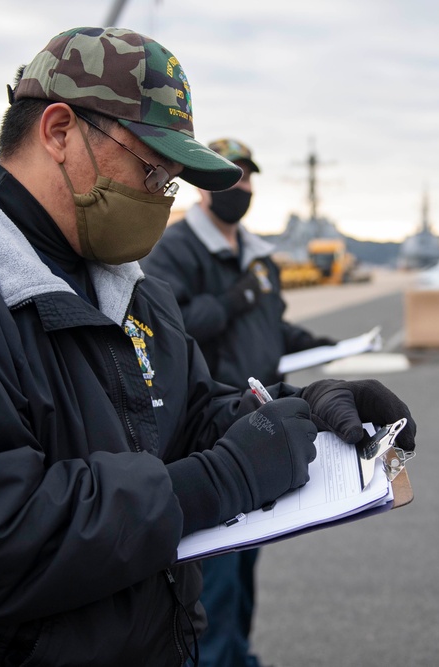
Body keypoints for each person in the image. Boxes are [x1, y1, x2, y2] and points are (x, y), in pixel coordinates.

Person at [0, 27, 416, 667]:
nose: (160, 199)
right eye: (152, 171)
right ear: (60, 131)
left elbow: (188, 415)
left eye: (172, 183)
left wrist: (302, 415)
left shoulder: (129, 287)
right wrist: (226, 478)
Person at [141, 138, 336, 667]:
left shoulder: (259, 255)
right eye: (231, 176)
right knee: (216, 578)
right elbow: (168, 326)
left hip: (259, 421)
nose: (241, 187)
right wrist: (232, 300)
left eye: (248, 176)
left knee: (246, 567)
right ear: (205, 186)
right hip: (211, 432)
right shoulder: (176, 247)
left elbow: (271, 325)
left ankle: (239, 656)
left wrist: (325, 344)